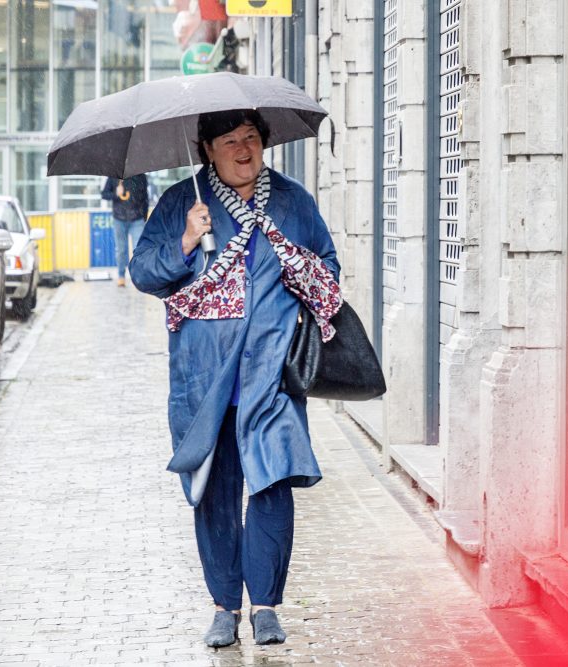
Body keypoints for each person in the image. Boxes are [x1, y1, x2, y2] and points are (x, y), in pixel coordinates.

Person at [129, 109, 340, 648]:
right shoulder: (183, 200)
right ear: (207, 150)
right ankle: (225, 605)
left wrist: (305, 276)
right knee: (216, 492)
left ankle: (265, 605)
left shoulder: (293, 202)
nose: (244, 150)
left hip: (271, 374)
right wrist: (184, 240)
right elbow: (144, 272)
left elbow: (328, 267)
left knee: (272, 483)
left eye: (251, 139)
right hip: (205, 379)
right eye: (230, 141)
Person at [101, 174, 149, 287]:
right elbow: (104, 195)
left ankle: (138, 277)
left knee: (138, 249)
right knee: (121, 249)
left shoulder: (141, 176)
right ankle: (121, 275)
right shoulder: (114, 176)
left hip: (137, 219)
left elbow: (145, 197)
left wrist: (144, 217)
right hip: (119, 219)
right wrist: (115, 194)